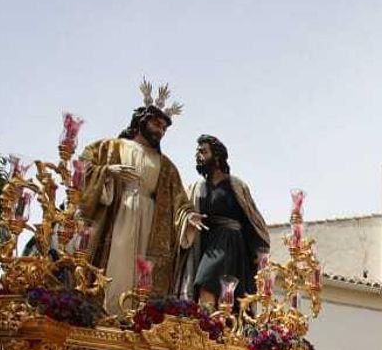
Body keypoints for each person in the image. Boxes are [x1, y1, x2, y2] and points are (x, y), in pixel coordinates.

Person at [79, 82, 192, 311]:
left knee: (143, 272)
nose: (160, 130)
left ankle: (136, 319)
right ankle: (108, 315)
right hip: (119, 212)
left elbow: (179, 199)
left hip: (151, 221)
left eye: (163, 127)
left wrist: (188, 217)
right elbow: (83, 166)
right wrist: (107, 172)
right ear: (142, 121)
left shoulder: (166, 165)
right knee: (116, 265)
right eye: (156, 124)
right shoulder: (111, 146)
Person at [177, 134, 271, 308]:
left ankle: (213, 325)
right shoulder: (197, 187)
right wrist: (189, 217)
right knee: (205, 285)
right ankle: (208, 326)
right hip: (206, 242)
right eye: (197, 152)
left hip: (231, 242)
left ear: (217, 155)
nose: (199, 155)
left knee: (208, 281)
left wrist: (259, 250)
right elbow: (183, 210)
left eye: (203, 151)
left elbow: (252, 219)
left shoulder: (235, 185)